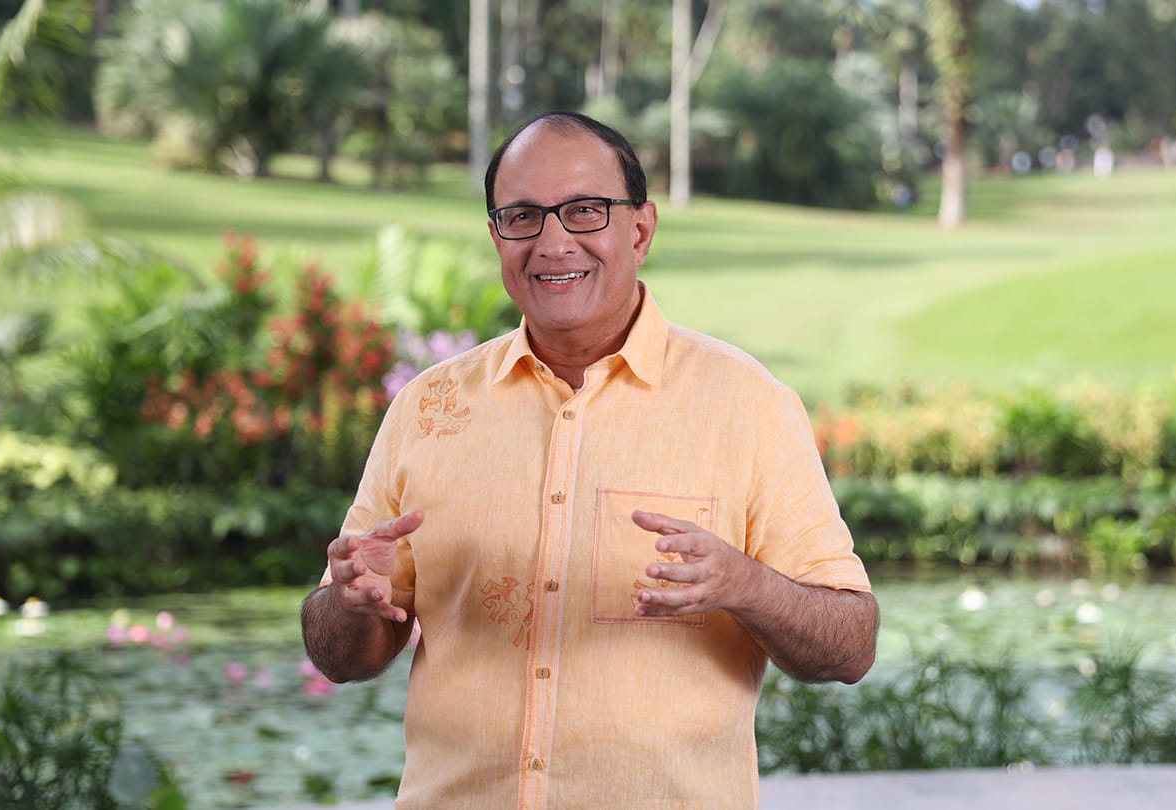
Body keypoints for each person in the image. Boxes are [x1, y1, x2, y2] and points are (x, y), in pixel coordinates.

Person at [300, 111, 878, 809]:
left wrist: (744, 584)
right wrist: (351, 602)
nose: (552, 241)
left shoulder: (748, 405)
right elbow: (341, 655)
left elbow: (850, 645)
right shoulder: (428, 408)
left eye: (584, 211)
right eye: (522, 216)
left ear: (640, 228)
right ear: (496, 237)